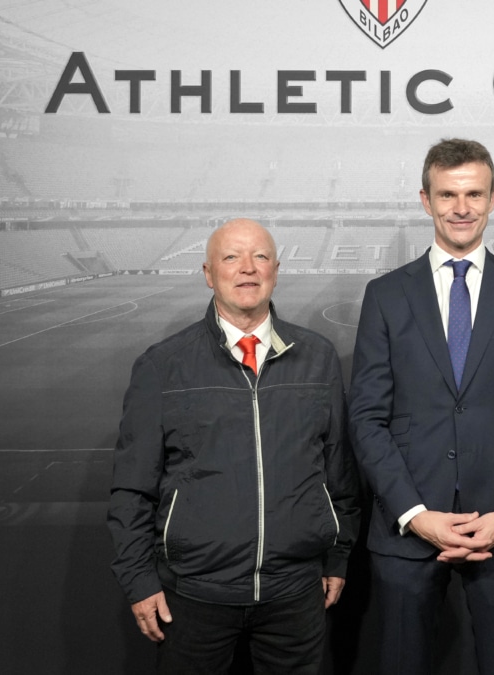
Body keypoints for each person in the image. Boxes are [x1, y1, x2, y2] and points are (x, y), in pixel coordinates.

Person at [348, 139, 494, 675]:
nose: (461, 207)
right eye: (448, 194)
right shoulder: (385, 294)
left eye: (473, 193)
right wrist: (415, 515)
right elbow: (367, 418)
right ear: (426, 200)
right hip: (407, 533)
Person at [107, 218, 360, 674]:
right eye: (231, 257)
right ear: (208, 273)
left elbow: (339, 470)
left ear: (276, 270)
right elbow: (131, 488)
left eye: (260, 256)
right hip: (194, 597)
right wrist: (139, 579)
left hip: (295, 595)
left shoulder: (318, 356)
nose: (248, 268)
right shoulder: (163, 365)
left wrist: (338, 554)